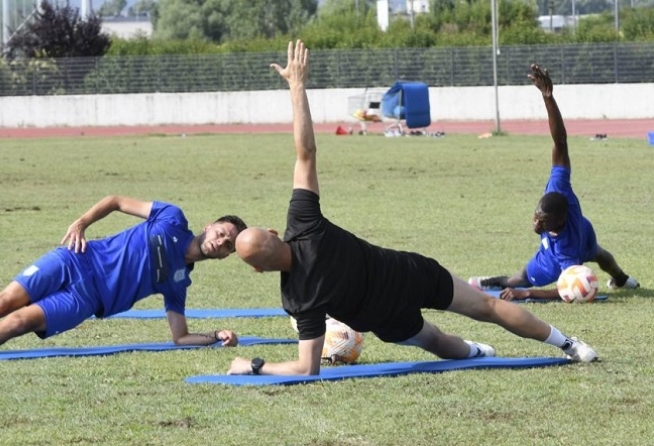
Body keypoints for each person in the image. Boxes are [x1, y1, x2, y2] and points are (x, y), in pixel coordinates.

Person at [227, 41, 597, 377]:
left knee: (433, 340)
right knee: (486, 307)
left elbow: (306, 369)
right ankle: (569, 345)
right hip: (407, 271)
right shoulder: (303, 222)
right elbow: (306, 151)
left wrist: (254, 365)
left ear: (259, 269)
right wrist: (297, 86)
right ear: (274, 233)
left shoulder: (297, 298)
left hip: (385, 318)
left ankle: (473, 351)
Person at [0, 195, 247, 360]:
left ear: (227, 255)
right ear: (208, 226)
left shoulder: (179, 281)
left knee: (19, 321)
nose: (221, 241)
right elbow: (115, 201)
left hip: (85, 300)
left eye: (228, 245)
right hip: (76, 258)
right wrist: (82, 222)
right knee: (0, 303)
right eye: (222, 232)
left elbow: (179, 337)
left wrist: (216, 335)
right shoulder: (172, 217)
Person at [468, 64, 639, 301]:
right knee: (599, 254)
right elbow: (560, 142)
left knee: (519, 280)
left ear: (559, 221)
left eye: (542, 221)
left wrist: (526, 292)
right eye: (537, 215)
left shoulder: (565, 251)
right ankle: (621, 279)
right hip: (584, 229)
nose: (536, 221)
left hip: (558, 253)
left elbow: (565, 290)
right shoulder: (558, 187)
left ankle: (498, 283)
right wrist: (547, 97)